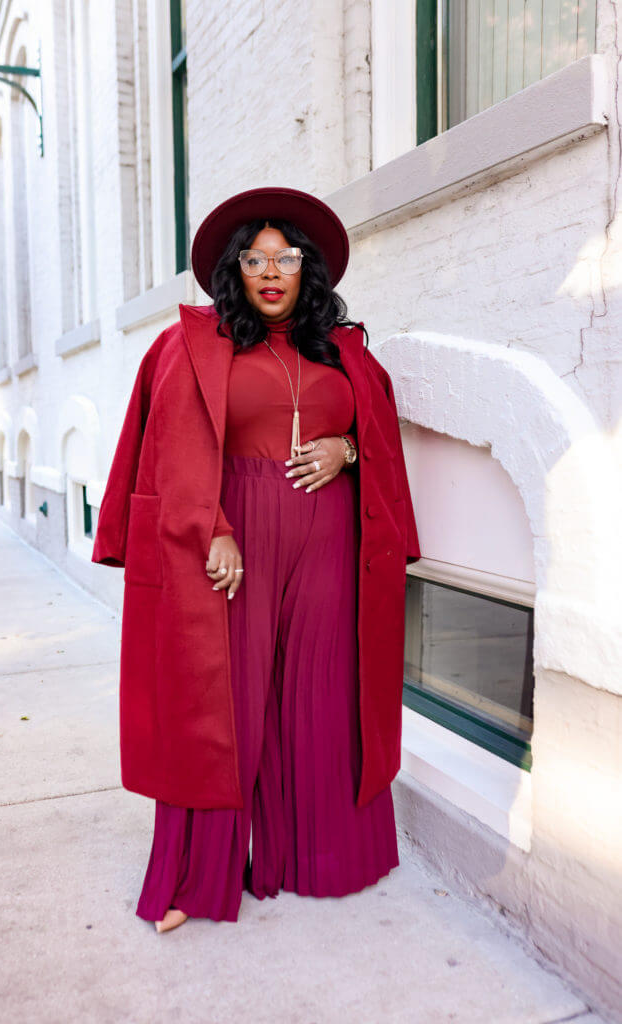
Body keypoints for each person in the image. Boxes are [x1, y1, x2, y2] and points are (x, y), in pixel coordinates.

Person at [92, 186, 421, 934]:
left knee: (321, 694)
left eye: (286, 258)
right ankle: (195, 878)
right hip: (234, 537)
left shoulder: (343, 351)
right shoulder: (191, 345)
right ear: (233, 271)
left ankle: (321, 859)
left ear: (309, 270)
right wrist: (210, 526)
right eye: (254, 259)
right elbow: (169, 447)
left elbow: (378, 441)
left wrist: (344, 451)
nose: (271, 272)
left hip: (329, 538)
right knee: (219, 706)